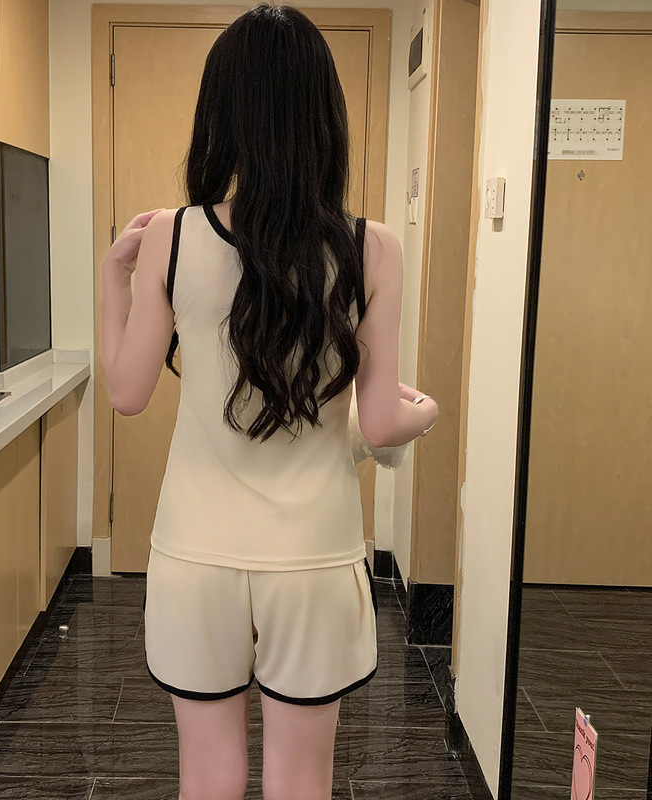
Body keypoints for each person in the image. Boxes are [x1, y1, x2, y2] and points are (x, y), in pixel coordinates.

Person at [100, 4, 439, 799]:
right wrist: (425, 412)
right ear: (326, 117)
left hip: (194, 555)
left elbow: (126, 393)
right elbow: (382, 421)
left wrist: (116, 279)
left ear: (220, 115)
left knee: (208, 774)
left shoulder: (171, 236)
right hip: (316, 557)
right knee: (300, 779)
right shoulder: (372, 247)